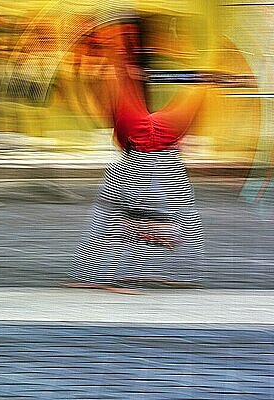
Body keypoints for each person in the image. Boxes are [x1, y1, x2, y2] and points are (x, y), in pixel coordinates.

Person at [65, 21, 207, 294]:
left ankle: (98, 272)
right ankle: (122, 265)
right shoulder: (122, 73)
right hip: (147, 148)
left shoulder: (124, 74)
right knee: (136, 215)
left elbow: (109, 107)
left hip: (146, 148)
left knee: (115, 213)